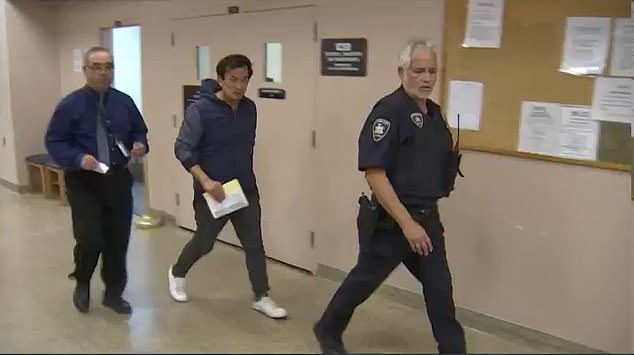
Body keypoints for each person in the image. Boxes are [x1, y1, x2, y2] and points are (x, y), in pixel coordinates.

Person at [313, 39, 467, 354]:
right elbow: (375, 174)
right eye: (418, 70)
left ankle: (453, 349)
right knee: (364, 280)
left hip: (427, 220)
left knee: (440, 289)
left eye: (432, 71)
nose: (426, 78)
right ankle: (327, 328)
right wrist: (407, 224)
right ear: (402, 71)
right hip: (393, 221)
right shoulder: (389, 112)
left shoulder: (434, 115)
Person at [168, 54, 287, 319]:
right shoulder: (201, 110)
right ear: (220, 79)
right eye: (233, 80)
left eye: (244, 80)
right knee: (205, 242)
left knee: (254, 244)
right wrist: (206, 180)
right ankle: (177, 272)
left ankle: (261, 296)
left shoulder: (249, 109)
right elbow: (182, 148)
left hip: (244, 188)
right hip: (213, 191)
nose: (239, 86)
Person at [44, 46, 149, 315]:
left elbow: (139, 129)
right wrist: (78, 158)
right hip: (84, 183)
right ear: (86, 71)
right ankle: (82, 279)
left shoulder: (123, 101)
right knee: (90, 240)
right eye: (97, 67)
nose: (104, 73)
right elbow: (55, 141)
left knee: (117, 241)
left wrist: (139, 143)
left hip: (117, 180)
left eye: (108, 67)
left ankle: (114, 294)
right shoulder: (70, 105)